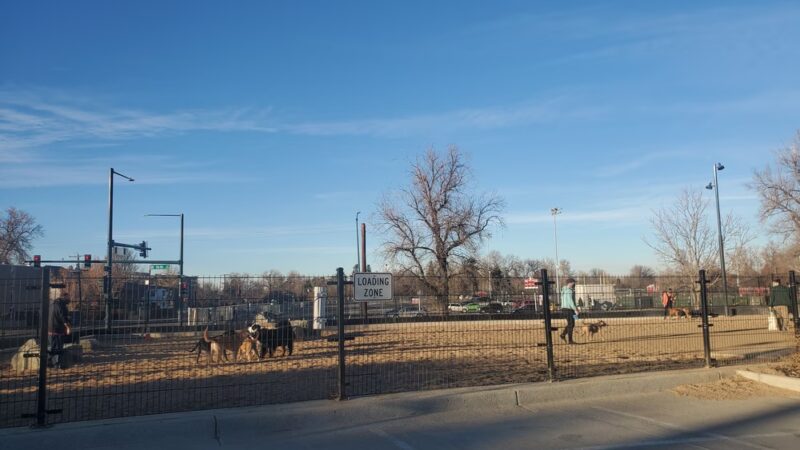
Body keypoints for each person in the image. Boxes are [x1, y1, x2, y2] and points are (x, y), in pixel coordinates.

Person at [48, 292, 72, 369]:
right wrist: (68, 327)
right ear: (64, 297)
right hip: (58, 329)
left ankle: (50, 361)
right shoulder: (61, 305)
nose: (69, 299)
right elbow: (62, 316)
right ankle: (56, 364)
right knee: (58, 346)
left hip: (50, 328)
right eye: (68, 297)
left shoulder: (52, 304)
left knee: (53, 346)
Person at [560, 278, 579, 344]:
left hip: (565, 309)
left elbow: (572, 301)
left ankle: (563, 335)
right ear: (570, 283)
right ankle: (570, 340)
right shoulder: (569, 291)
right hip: (568, 309)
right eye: (574, 282)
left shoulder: (564, 290)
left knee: (571, 324)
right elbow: (570, 301)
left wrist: (576, 309)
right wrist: (575, 309)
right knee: (571, 324)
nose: (574, 284)